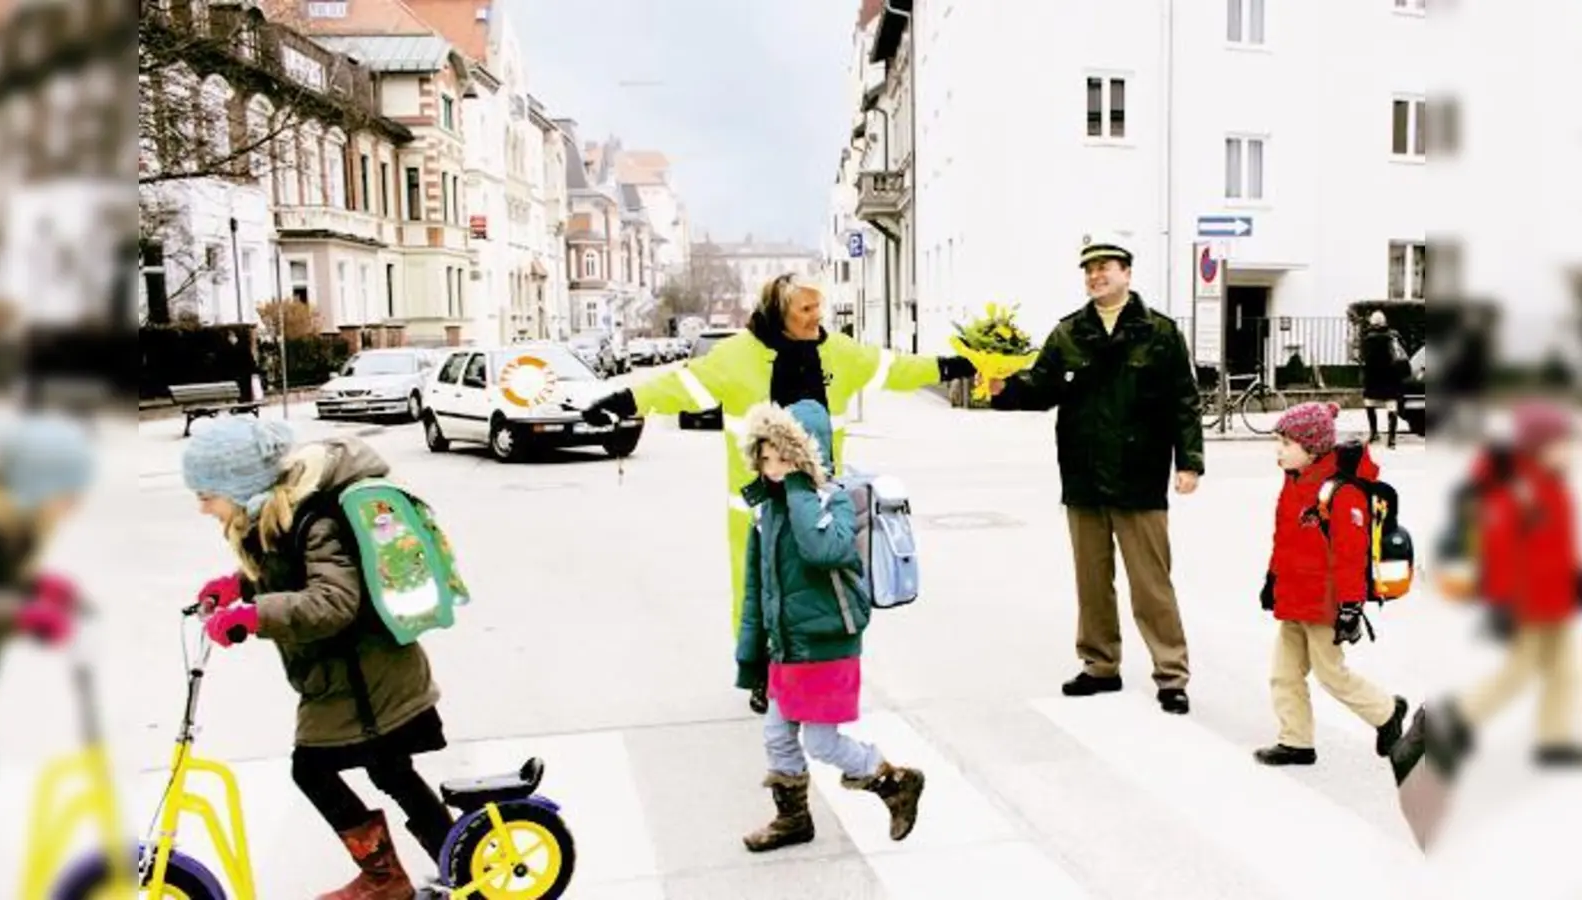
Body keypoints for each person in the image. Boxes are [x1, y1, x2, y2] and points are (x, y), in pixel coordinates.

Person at [581, 273, 975, 689]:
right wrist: (621, 401)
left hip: (819, 501)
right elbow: (680, 385)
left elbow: (892, 368)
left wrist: (947, 366)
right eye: (805, 309)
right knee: (757, 594)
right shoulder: (736, 356)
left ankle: (811, 671)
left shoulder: (837, 352)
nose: (816, 316)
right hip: (757, 507)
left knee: (822, 591)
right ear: (779, 311)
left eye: (817, 306)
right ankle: (760, 677)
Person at [181, 418, 451, 900]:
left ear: (237, 485)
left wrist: (254, 614)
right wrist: (239, 588)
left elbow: (333, 602)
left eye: (205, 494)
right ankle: (458, 862)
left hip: (366, 684)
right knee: (392, 773)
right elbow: (290, 577)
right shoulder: (279, 520)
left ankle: (387, 880)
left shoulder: (316, 520)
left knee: (313, 769)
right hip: (356, 679)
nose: (201, 507)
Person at [988, 233, 1204, 714]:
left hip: (1140, 475)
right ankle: (1100, 665)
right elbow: (1041, 387)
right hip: (1084, 475)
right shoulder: (1069, 333)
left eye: (1105, 267)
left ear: (1127, 273)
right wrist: (1002, 389)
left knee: (1151, 583)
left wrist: (1189, 462)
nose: (1096, 275)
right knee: (1092, 579)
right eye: (1089, 269)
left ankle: (1171, 674)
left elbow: (1184, 402)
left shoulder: (1160, 333)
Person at [735, 400, 924, 852]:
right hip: (786, 646)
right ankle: (793, 819)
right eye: (764, 458)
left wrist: (802, 486)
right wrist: (750, 657)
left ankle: (894, 780)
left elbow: (823, 550)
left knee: (820, 741)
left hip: (825, 644)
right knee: (778, 735)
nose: (773, 468)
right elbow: (755, 593)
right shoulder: (765, 513)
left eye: (784, 457)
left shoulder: (833, 501)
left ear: (807, 455)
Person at [1417, 400, 1582, 766]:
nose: (1569, 450)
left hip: (1556, 595)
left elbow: (1558, 540)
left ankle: (1554, 738)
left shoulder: (1553, 484)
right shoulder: (1517, 491)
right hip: (1526, 602)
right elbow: (1501, 550)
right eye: (1562, 444)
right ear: (1537, 447)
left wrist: (1574, 575)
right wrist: (1503, 602)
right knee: (1517, 673)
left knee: (1567, 671)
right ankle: (1457, 721)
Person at [1253, 402, 1408, 766]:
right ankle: (1296, 742)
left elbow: (1350, 556)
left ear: (1312, 448)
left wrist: (1351, 606)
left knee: (1331, 674)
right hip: (1294, 596)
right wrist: (1272, 578)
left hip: (1325, 604)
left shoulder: (1341, 493)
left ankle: (1387, 712)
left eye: (1285, 444)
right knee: (1283, 673)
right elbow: (1286, 539)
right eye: (1278, 442)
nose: (1278, 451)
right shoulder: (1294, 481)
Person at [0, 414, 94, 782]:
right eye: (67, 492)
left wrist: (37, 589)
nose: (74, 505)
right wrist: (22, 613)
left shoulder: (13, 526)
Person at [1360, 310, 1408, 448]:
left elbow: (1365, 360)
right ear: (1385, 322)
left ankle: (1374, 433)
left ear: (1372, 323)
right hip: (1391, 378)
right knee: (1392, 407)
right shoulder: (1394, 336)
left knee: (1369, 404)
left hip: (1373, 378)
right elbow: (1402, 354)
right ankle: (1391, 440)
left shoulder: (1368, 338)